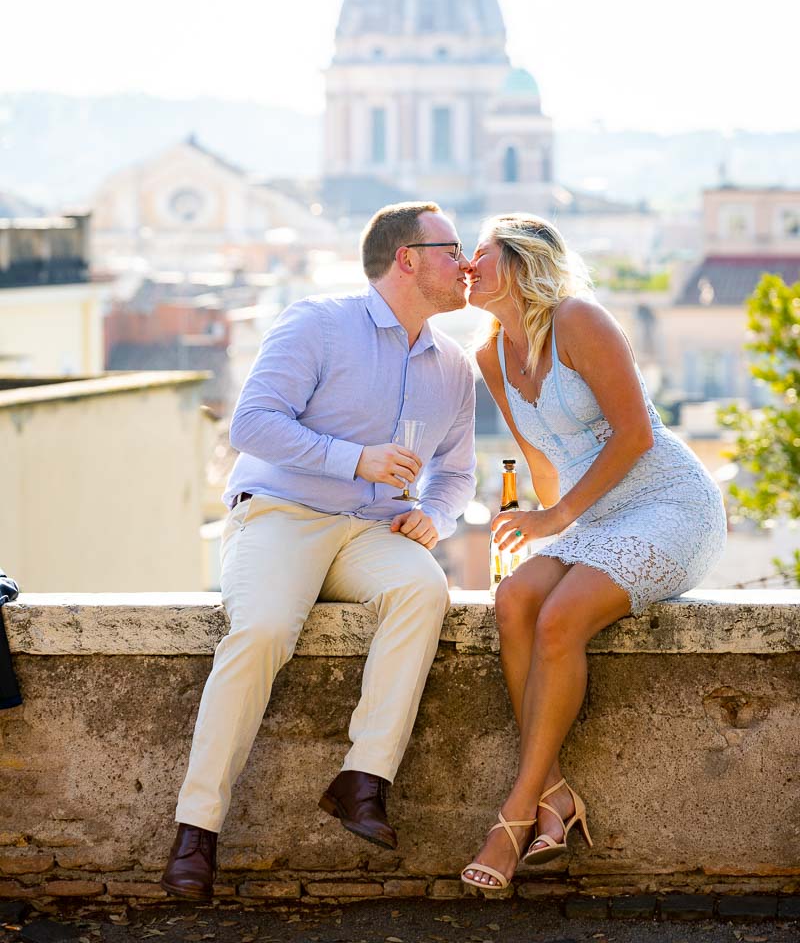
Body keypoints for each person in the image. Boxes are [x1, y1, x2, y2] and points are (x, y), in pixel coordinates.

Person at [160, 202, 476, 900]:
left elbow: (456, 472)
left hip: (373, 534)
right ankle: (196, 830)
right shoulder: (318, 322)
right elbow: (252, 424)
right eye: (454, 249)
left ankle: (363, 779)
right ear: (408, 259)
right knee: (264, 630)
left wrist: (436, 515)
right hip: (281, 515)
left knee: (424, 589)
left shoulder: (455, 366)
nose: (469, 264)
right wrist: (353, 460)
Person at [460, 213, 725, 891]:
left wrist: (555, 516)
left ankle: (514, 819)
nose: (467, 265)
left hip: (667, 503)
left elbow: (635, 434)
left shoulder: (580, 320)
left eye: (481, 254)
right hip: (593, 515)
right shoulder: (490, 354)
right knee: (515, 598)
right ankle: (555, 794)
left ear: (519, 265)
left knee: (559, 619)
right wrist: (541, 525)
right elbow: (542, 457)